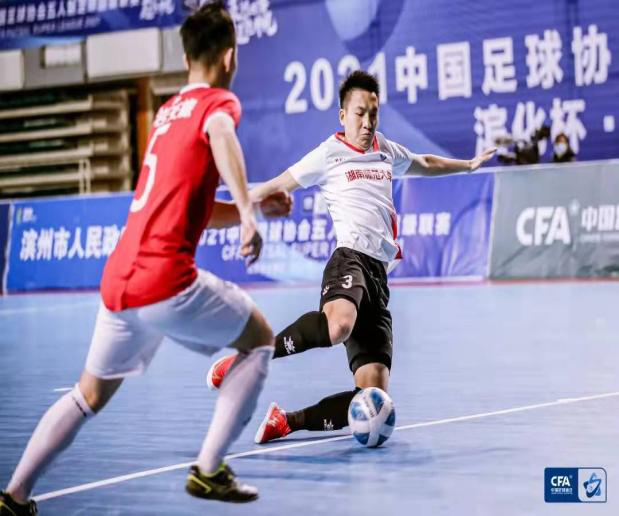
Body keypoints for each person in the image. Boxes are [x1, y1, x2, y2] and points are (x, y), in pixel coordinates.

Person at [0, 3, 291, 514]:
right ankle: (209, 469)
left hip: (119, 280)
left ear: (185, 57)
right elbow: (222, 134)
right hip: (165, 280)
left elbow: (197, 209)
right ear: (229, 57)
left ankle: (14, 496)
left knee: (88, 395)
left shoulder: (167, 114)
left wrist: (254, 201)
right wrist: (249, 213)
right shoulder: (218, 104)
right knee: (260, 339)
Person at [206, 70, 495, 444]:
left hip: (379, 278)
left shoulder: (385, 149)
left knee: (374, 399)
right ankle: (250, 356)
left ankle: (287, 421)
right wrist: (236, 211)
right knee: (338, 325)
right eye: (360, 113)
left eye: (374, 114)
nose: (367, 122)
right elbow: (277, 184)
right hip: (350, 259)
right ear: (343, 115)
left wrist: (468, 165)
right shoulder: (328, 154)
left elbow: (425, 162)